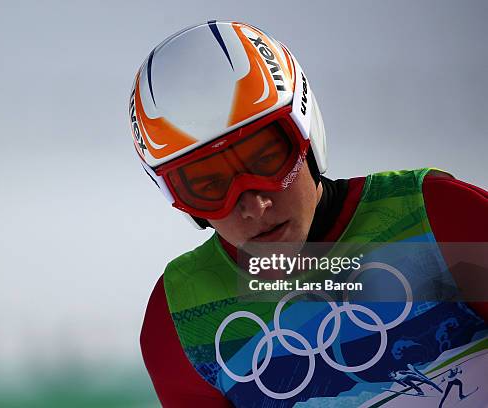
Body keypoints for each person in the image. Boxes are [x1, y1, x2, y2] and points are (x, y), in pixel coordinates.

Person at [129, 20, 488, 407]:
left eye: (266, 160)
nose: (254, 206)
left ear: (306, 135)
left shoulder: (442, 217)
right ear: (180, 199)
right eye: (210, 185)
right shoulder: (179, 323)